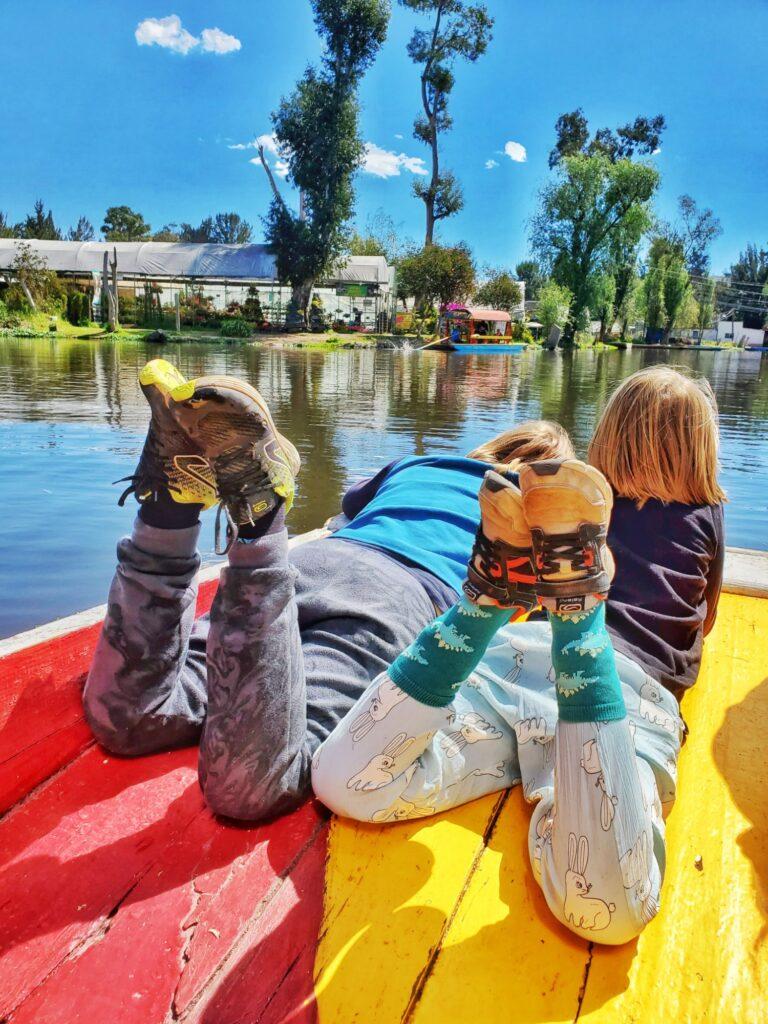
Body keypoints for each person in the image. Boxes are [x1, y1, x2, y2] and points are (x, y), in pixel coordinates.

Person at [312, 366, 726, 945]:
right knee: (610, 913)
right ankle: (580, 622)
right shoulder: (703, 518)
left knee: (346, 784)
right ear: (701, 448)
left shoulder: (567, 508)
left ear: (607, 434)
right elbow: (706, 622)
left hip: (516, 659)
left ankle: (485, 602)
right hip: (625, 693)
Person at [82, 358, 573, 821]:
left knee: (127, 717)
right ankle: (260, 513)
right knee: (254, 784)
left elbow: (348, 509)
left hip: (311, 562)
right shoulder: (535, 515)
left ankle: (171, 507)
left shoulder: (418, 466)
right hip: (398, 598)